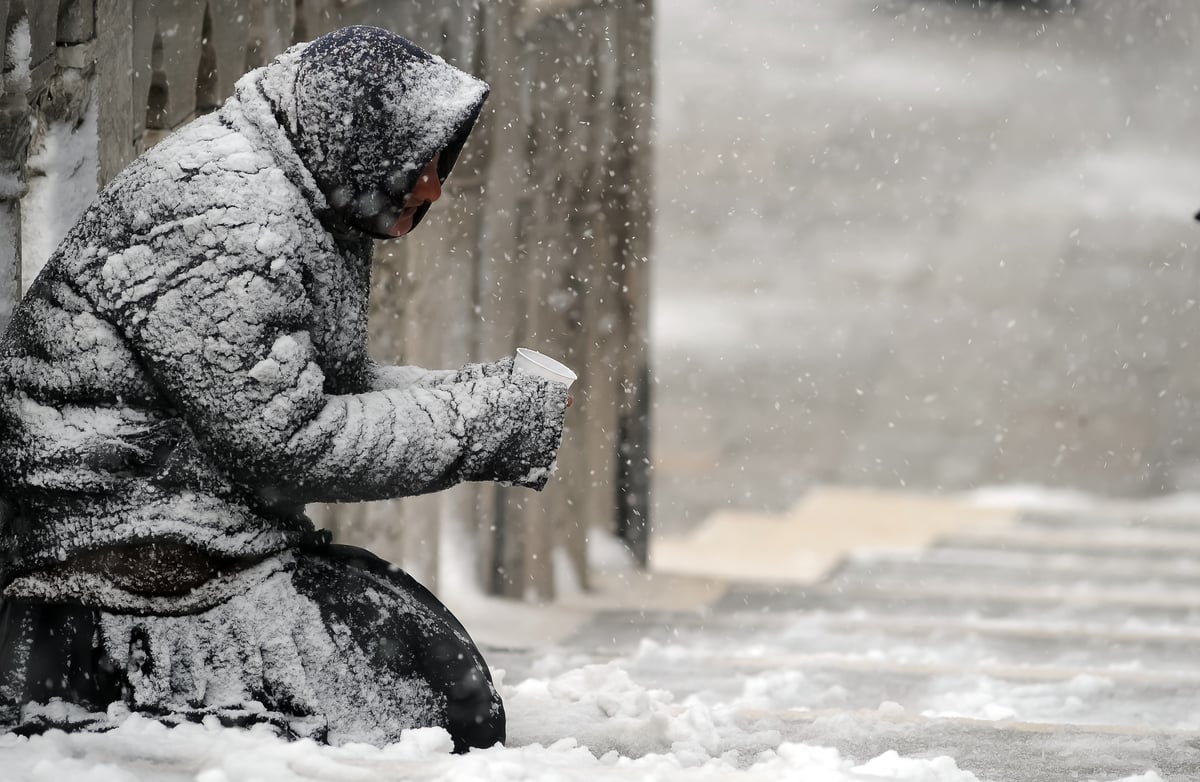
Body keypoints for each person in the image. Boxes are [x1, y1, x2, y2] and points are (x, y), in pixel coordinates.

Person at [0, 25, 568, 752]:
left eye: (439, 163)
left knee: (440, 680)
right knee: (420, 710)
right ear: (358, 135)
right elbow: (286, 439)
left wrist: (497, 396)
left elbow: (332, 388)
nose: (431, 186)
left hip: (203, 544)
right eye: (420, 161)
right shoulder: (225, 210)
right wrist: (489, 420)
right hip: (125, 576)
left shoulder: (304, 198)